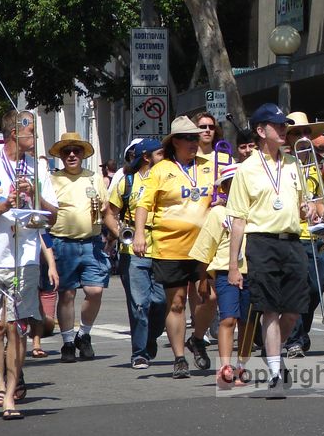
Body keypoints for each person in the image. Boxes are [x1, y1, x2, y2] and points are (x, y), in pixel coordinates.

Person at [0, 110, 58, 420]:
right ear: (15, 133)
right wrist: (4, 205)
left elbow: (53, 216)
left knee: (17, 328)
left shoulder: (38, 167)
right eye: (32, 133)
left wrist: (35, 195)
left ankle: (10, 396)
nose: (36, 138)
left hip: (24, 258)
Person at [226, 103, 313, 398]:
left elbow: (302, 206)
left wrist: (308, 209)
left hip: (292, 240)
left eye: (284, 125)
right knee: (270, 308)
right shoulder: (246, 169)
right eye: (278, 126)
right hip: (261, 241)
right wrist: (234, 265)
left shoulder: (292, 164)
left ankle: (273, 350)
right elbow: (238, 220)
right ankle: (275, 371)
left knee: (294, 309)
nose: (284, 130)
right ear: (261, 131)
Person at [133, 116, 216, 378]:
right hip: (170, 246)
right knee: (177, 302)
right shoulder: (161, 170)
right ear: (175, 141)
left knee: (209, 297)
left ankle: (197, 339)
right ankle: (179, 358)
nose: (194, 142)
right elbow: (143, 204)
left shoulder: (209, 166)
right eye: (188, 138)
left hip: (205, 246)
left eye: (196, 137)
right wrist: (139, 234)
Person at [47, 131, 110, 363]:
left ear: (83, 154)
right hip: (63, 242)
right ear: (61, 156)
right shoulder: (53, 179)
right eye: (67, 151)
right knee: (67, 294)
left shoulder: (94, 178)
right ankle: (67, 342)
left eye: (76, 151)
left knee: (95, 291)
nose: (72, 155)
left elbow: (105, 208)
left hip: (92, 242)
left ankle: (83, 335)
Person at [104, 138, 166, 369]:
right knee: (139, 304)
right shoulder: (127, 181)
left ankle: (150, 337)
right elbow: (109, 213)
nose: (165, 157)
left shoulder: (168, 178)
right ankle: (139, 352)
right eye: (160, 154)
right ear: (147, 157)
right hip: (133, 251)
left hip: (164, 247)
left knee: (161, 301)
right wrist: (121, 234)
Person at [189, 163, 252, 389]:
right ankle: (225, 366)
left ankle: (242, 365)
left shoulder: (255, 211)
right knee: (228, 318)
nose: (236, 188)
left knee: (247, 321)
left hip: (253, 271)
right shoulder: (218, 213)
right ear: (224, 188)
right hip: (226, 270)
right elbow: (206, 247)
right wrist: (203, 279)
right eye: (231, 184)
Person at [282, 111, 324, 358]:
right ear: (288, 138)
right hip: (292, 234)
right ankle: (293, 339)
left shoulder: (320, 164)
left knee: (316, 286)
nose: (303, 137)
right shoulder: (282, 164)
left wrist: (322, 213)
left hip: (315, 234)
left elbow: (323, 198)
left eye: (306, 133)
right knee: (296, 287)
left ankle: (301, 331)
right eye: (297, 133)